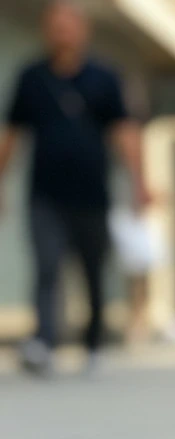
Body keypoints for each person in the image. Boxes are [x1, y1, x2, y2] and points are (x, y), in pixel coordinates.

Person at [0, 1, 147, 375]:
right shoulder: (32, 77)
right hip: (44, 194)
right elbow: (12, 136)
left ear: (83, 30)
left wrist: (139, 183)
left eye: (68, 24)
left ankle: (93, 342)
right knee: (46, 267)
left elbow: (126, 134)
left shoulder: (104, 77)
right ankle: (44, 342)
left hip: (92, 195)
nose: (62, 31)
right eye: (55, 24)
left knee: (92, 270)